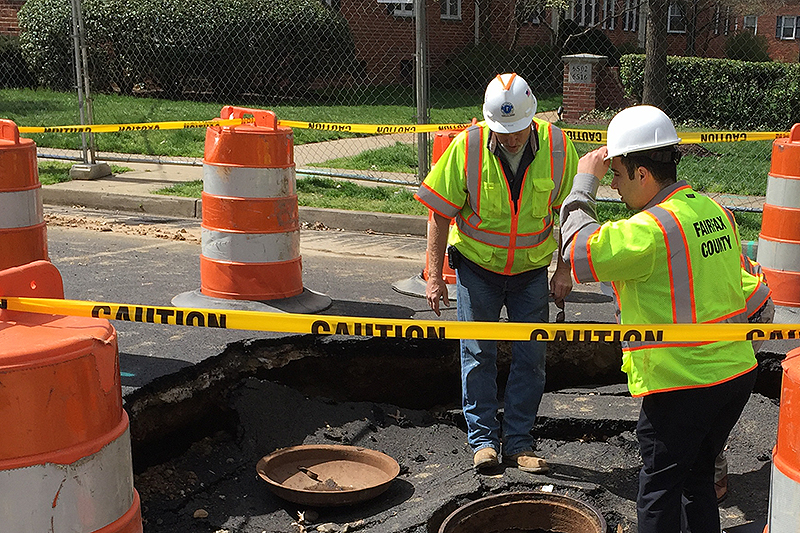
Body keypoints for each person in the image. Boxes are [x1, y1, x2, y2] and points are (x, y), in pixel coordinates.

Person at [559, 105, 765, 532]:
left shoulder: (652, 230)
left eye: (617, 174)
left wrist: (585, 180)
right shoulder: (713, 210)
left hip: (681, 383)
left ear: (642, 174)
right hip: (734, 375)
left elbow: (578, 248)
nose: (613, 185)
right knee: (698, 482)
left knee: (657, 493)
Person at [414, 73, 578, 473]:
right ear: (488, 122)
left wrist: (564, 269)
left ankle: (519, 441)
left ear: (533, 119)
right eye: (503, 132)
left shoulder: (558, 147)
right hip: (477, 271)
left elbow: (573, 212)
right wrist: (434, 275)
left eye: (518, 131)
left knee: (531, 358)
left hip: (530, 273)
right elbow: (438, 210)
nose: (512, 139)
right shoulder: (467, 147)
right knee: (476, 353)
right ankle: (483, 441)